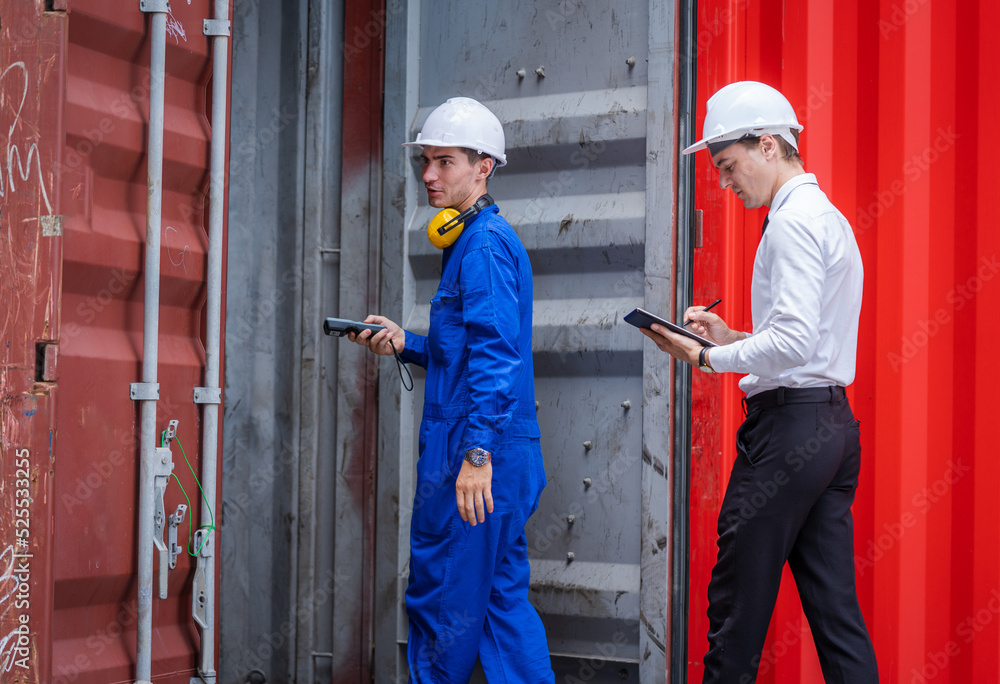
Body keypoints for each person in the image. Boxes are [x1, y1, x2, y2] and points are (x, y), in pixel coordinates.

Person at [642, 81, 878, 682]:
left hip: (786, 435)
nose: (723, 182)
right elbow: (807, 339)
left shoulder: (792, 223)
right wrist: (729, 337)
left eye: (727, 165)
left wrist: (703, 357)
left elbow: (794, 345)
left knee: (736, 615)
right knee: (837, 618)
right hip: (831, 430)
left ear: (768, 145)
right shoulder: (829, 217)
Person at [349, 97, 554, 683]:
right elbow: (467, 348)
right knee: (499, 607)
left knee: (445, 605)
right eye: (426, 163)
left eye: (443, 163)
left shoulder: (483, 246)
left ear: (483, 166)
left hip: (475, 449)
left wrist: (476, 454)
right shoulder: (471, 241)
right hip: (495, 450)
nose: (429, 176)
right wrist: (405, 343)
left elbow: (497, 356)